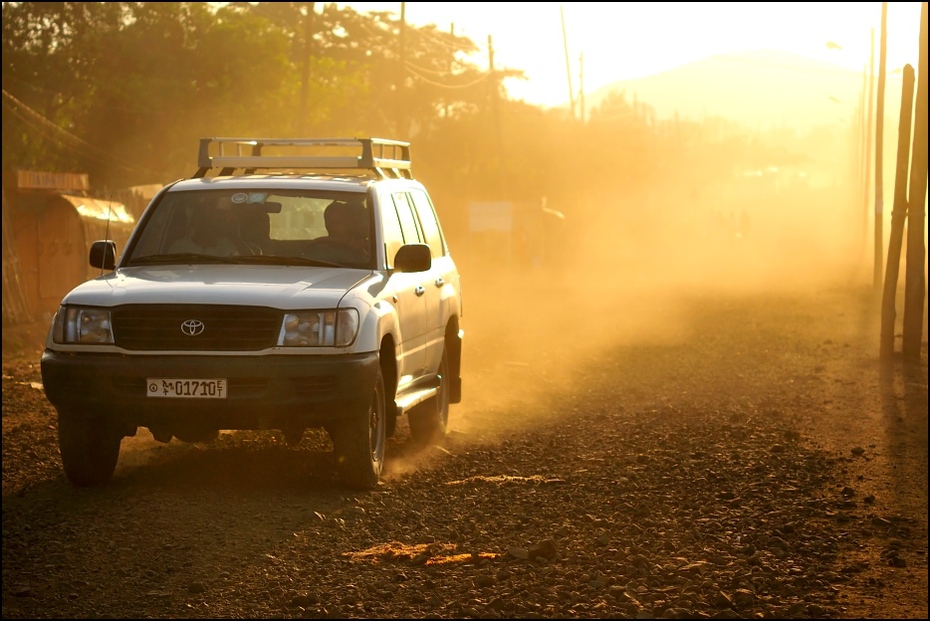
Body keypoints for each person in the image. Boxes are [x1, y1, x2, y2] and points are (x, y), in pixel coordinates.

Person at [169, 198, 249, 256]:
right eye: (202, 218)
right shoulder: (180, 248)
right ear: (195, 222)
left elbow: (249, 265)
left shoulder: (227, 247)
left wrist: (236, 239)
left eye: (209, 219)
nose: (205, 223)